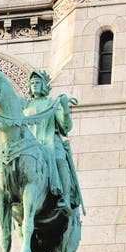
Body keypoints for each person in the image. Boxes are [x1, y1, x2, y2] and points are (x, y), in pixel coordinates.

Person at [22, 69, 81, 212]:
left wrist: (65, 108)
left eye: (37, 82)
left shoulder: (52, 103)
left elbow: (66, 126)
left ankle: (65, 198)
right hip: (29, 145)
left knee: (60, 160)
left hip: (51, 142)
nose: (35, 85)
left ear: (43, 86)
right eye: (32, 83)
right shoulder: (25, 106)